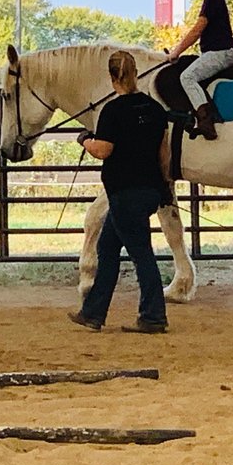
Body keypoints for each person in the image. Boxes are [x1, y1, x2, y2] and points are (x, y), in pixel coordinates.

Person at [67, 50, 170, 334]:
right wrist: (164, 187)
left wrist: (86, 140)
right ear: (135, 74)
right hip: (148, 189)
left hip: (124, 192)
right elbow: (164, 155)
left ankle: (153, 316)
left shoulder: (112, 111)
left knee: (142, 254)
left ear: (113, 77)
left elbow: (104, 150)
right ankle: (93, 312)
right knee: (108, 248)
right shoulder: (155, 110)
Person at [166, 0, 233, 140]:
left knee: (187, 77)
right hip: (216, 52)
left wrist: (176, 52)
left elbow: (197, 31)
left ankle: (206, 122)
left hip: (221, 53)